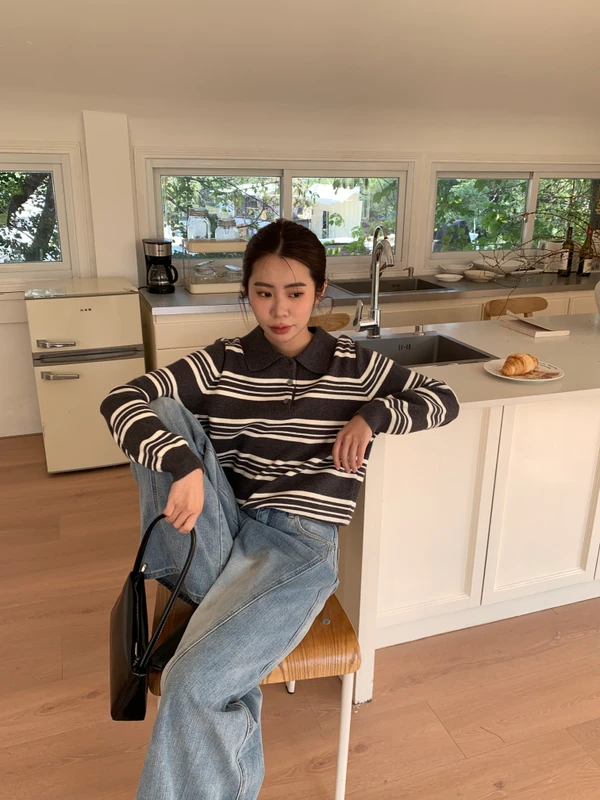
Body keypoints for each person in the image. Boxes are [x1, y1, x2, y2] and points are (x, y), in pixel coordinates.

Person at [100, 218, 459, 800]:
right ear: (247, 292)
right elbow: (121, 399)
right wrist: (183, 466)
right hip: (220, 531)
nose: (280, 309)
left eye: (295, 292)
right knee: (161, 410)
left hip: (297, 546)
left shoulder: (354, 366)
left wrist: (372, 416)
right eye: (264, 292)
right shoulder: (224, 360)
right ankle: (213, 612)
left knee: (194, 681)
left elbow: (443, 398)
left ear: (319, 292)